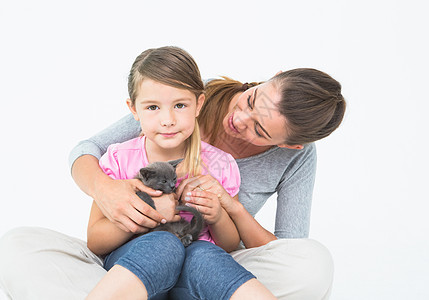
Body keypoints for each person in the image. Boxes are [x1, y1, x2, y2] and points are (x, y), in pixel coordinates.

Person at [0, 49, 346, 299]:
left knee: (311, 264)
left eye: (260, 130)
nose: (240, 120)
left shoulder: (224, 166)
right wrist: (111, 193)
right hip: (134, 254)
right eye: (252, 100)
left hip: (209, 259)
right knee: (18, 247)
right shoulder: (173, 102)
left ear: (289, 146)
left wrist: (228, 209)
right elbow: (87, 151)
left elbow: (283, 252)